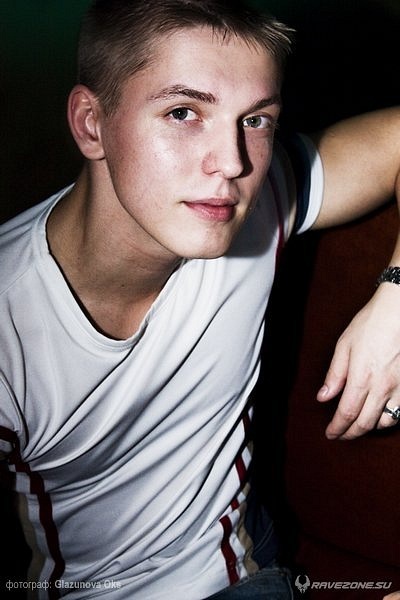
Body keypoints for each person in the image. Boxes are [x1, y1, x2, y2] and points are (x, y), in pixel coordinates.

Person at [0, 0, 399, 598]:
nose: (232, 164)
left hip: (245, 562)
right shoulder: (10, 323)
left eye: (255, 120)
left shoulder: (258, 206)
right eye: (183, 112)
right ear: (90, 123)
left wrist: (395, 302)